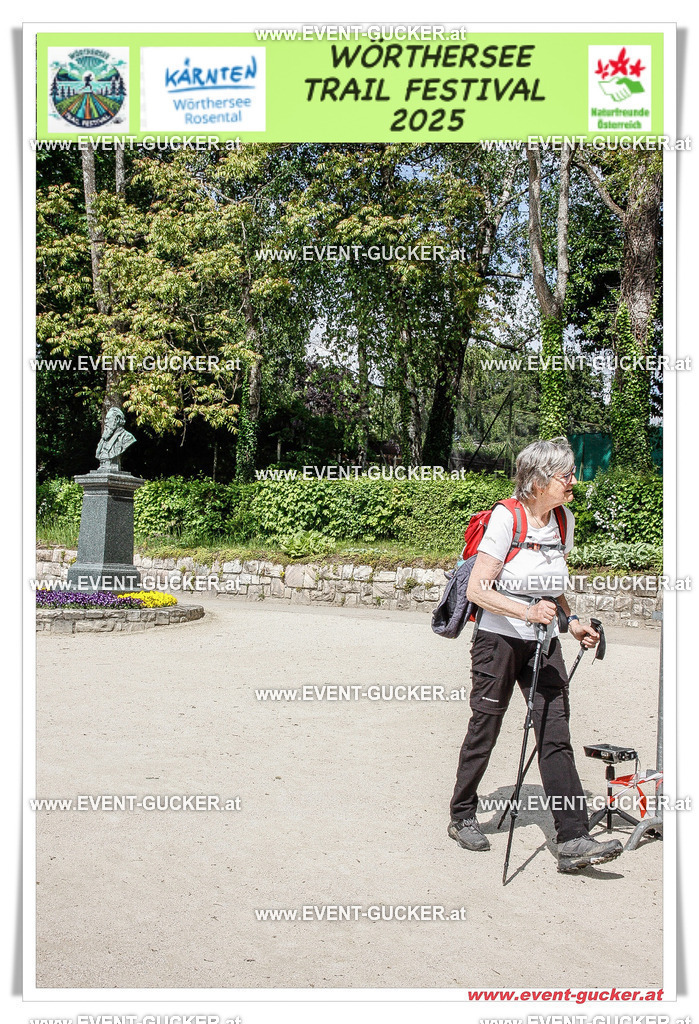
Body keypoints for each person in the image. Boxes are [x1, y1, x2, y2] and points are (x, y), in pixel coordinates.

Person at [448, 437, 623, 873]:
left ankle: (573, 839)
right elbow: (477, 589)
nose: (573, 481)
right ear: (540, 480)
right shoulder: (507, 518)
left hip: (544, 641)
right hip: (498, 640)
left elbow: (552, 580)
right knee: (486, 725)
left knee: (554, 730)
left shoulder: (563, 520)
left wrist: (572, 619)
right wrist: (526, 610)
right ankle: (462, 813)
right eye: (566, 475)